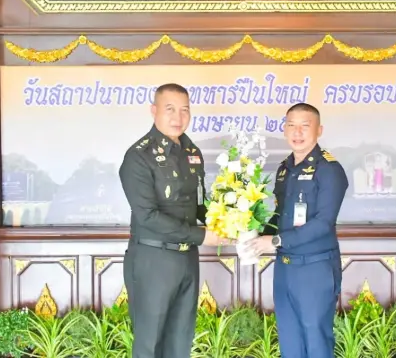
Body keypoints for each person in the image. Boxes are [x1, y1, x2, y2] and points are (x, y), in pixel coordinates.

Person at [119, 83, 231, 358]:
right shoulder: (139, 156)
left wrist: (229, 218)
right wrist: (202, 236)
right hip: (153, 260)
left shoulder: (192, 152)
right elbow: (148, 216)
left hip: (186, 259)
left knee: (180, 343)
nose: (178, 117)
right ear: (154, 110)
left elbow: (200, 205)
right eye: (170, 109)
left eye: (184, 110)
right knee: (150, 345)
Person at [245, 102, 349, 358]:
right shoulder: (285, 169)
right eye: (291, 125)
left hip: (314, 268)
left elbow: (323, 223)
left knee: (316, 341)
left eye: (305, 126)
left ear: (319, 130)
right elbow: (279, 216)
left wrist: (275, 241)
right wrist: (250, 231)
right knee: (290, 342)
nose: (297, 132)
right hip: (285, 268)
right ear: (284, 129)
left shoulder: (329, 169)